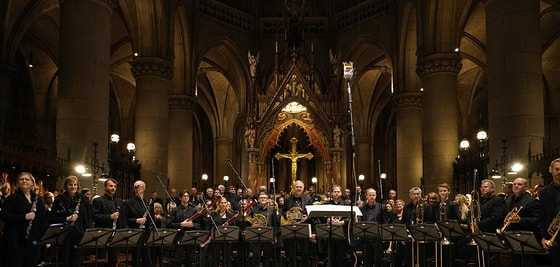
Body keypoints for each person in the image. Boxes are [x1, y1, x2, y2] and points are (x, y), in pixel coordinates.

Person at [0, 172, 48, 267]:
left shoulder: (37, 200)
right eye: (21, 179)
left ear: (32, 183)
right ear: (17, 183)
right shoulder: (12, 198)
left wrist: (44, 239)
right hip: (15, 239)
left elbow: (42, 220)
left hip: (33, 238)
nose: (24, 181)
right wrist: (24, 217)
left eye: (27, 179)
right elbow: (4, 216)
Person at [50, 175, 92, 267]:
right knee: (64, 260)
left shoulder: (83, 199)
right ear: (65, 186)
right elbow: (52, 218)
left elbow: (88, 217)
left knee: (76, 260)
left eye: (75, 185)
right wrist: (67, 218)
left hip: (79, 233)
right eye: (70, 185)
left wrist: (87, 231)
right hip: (64, 234)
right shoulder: (59, 199)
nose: (73, 187)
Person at [502, 177, 539, 267]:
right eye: (514, 184)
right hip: (510, 237)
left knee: (527, 263)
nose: (516, 186)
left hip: (525, 238)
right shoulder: (508, 201)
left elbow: (537, 219)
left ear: (526, 187)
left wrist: (521, 220)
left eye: (519, 184)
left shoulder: (532, 201)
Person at [92, 178, 125, 267]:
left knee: (114, 259)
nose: (113, 188)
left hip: (116, 234)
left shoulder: (119, 201)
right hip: (103, 233)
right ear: (105, 187)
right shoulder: (98, 200)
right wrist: (110, 217)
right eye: (110, 186)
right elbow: (94, 216)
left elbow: (122, 218)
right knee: (100, 259)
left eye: (114, 186)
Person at [283, 180, 314, 267]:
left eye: (300, 187)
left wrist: (307, 217)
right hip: (291, 226)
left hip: (304, 226)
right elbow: (284, 211)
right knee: (291, 252)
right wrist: (286, 215)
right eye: (297, 187)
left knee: (305, 252)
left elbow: (311, 212)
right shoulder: (288, 199)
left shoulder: (308, 199)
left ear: (303, 188)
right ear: (294, 188)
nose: (298, 188)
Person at [167, 190, 201, 267]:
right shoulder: (175, 210)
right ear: (180, 198)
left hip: (190, 237)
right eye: (184, 196)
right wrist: (181, 224)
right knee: (178, 259)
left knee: (190, 259)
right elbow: (169, 224)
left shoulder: (193, 210)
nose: (186, 197)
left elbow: (198, 225)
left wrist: (192, 225)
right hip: (179, 236)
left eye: (187, 196)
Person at [124, 180, 153, 266]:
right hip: (135, 233)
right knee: (136, 258)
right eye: (135, 187)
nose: (136, 189)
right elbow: (125, 219)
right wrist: (136, 220)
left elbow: (152, 219)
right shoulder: (128, 203)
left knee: (147, 258)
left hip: (146, 233)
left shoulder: (149, 202)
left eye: (139, 187)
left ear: (144, 188)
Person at [248, 192, 278, 267]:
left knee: (267, 258)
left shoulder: (272, 210)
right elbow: (248, 222)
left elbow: (276, 224)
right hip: (256, 236)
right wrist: (252, 225)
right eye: (261, 197)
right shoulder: (254, 210)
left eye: (265, 197)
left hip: (267, 236)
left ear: (267, 199)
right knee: (255, 257)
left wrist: (274, 236)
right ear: (258, 199)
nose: (263, 199)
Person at [540, 158, 560, 266]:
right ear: (550, 170)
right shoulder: (544, 191)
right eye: (556, 169)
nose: (559, 172)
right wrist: (543, 237)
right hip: (554, 237)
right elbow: (542, 216)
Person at [359, 188, 383, 267]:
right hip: (366, 238)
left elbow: (384, 222)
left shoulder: (381, 207)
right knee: (366, 260)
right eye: (370, 195)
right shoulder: (362, 208)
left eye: (374, 195)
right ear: (366, 196)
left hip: (377, 237)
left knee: (378, 260)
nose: (372, 197)